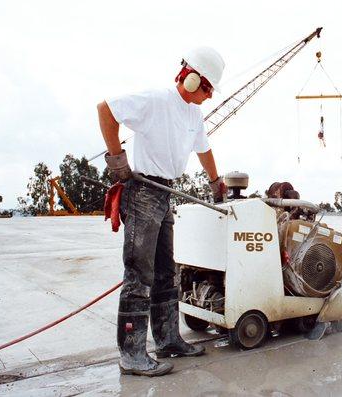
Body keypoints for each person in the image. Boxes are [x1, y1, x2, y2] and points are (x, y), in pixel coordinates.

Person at [97, 46, 228, 377]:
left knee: (166, 272)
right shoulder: (156, 100)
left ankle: (168, 340)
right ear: (193, 79)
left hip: (163, 192)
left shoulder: (193, 116)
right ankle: (131, 355)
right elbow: (105, 109)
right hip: (142, 192)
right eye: (208, 89)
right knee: (139, 275)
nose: (209, 97)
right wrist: (117, 160)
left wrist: (216, 183)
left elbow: (204, 149)